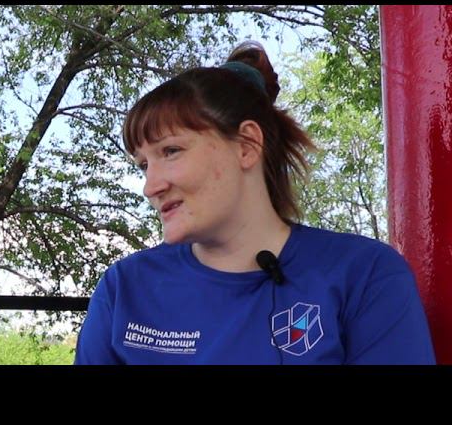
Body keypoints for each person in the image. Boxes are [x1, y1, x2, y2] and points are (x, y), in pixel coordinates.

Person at [74, 41, 435, 365]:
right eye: (143, 165)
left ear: (247, 146)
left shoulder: (365, 275)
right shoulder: (124, 289)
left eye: (171, 151)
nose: (151, 186)